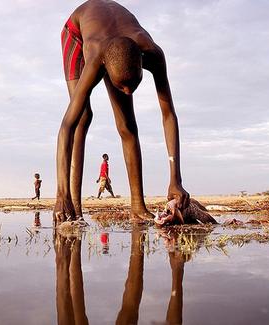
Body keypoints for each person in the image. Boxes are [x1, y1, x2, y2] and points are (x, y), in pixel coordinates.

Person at [54, 0, 189, 221]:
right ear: (104, 67)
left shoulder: (153, 53)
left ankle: (137, 206)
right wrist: (61, 195)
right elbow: (66, 126)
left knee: (127, 126)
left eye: (134, 84)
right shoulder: (97, 57)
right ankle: (72, 206)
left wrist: (176, 178)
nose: (127, 92)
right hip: (76, 33)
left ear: (141, 62)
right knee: (82, 117)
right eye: (121, 86)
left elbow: (168, 114)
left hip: (117, 41)